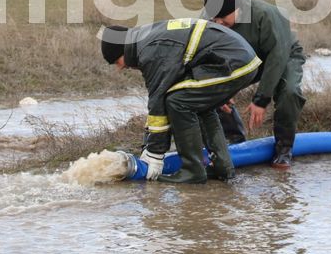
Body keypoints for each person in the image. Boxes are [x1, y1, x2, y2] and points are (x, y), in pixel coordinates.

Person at [100, 20, 261, 183]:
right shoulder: (147, 41)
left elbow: (158, 101)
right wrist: (148, 147)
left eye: (116, 62)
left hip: (233, 62)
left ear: (122, 50)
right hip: (238, 59)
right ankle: (224, 167)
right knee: (197, 104)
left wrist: (154, 155)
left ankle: (193, 170)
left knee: (177, 102)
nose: (119, 68)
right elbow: (157, 100)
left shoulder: (150, 51)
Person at [202, 0, 307, 169]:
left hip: (282, 54)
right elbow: (204, 53)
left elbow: (277, 56)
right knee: (212, 89)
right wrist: (217, 88)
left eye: (223, 19)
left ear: (237, 9)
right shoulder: (210, 18)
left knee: (289, 92)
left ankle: (284, 149)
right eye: (214, 19)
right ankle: (235, 139)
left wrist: (261, 100)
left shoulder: (265, 14)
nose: (218, 23)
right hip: (245, 58)